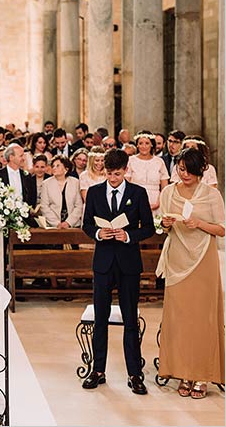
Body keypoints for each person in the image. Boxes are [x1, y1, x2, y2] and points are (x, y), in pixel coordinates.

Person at [81, 149, 155, 395]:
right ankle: (98, 370)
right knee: (100, 318)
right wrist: (99, 233)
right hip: (103, 262)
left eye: (118, 173)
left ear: (126, 170)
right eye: (109, 173)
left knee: (130, 319)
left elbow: (149, 228)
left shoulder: (138, 193)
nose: (113, 178)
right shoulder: (94, 192)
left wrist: (129, 236)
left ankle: (134, 374)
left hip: (128, 263)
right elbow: (87, 224)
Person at [157, 148, 225, 399]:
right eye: (180, 169)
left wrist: (199, 224)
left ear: (200, 170)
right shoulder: (168, 192)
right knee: (180, 319)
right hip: (176, 259)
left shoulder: (211, 195)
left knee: (202, 318)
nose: (184, 174)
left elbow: (221, 229)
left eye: (189, 170)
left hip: (203, 260)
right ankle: (182, 373)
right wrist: (164, 224)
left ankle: (203, 375)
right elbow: (162, 227)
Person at [125, 131, 169, 213]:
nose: (144, 146)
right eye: (141, 143)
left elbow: (164, 187)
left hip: (156, 202)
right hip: (135, 200)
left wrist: (158, 202)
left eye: (147, 143)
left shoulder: (159, 161)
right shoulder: (131, 161)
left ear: (152, 144)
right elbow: (126, 184)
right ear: (137, 145)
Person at [40, 155, 83, 228]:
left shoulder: (75, 182)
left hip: (73, 225)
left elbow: (79, 206)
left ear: (66, 169)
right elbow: (44, 207)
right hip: (53, 226)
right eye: (53, 166)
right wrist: (57, 223)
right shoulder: (46, 183)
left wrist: (68, 222)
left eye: (57, 166)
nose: (54, 168)